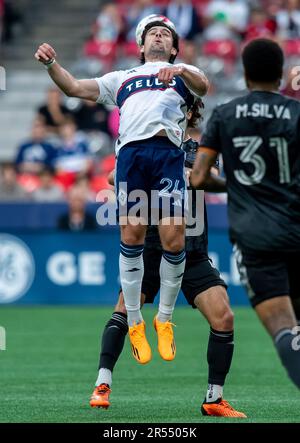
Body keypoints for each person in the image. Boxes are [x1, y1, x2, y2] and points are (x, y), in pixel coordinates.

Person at [35, 14, 209, 365]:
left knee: (174, 237)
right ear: (141, 46)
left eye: (165, 35)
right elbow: (73, 87)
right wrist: (53, 64)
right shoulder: (122, 78)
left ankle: (164, 320)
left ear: (174, 48)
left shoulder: (184, 75)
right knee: (132, 235)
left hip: (167, 155)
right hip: (131, 156)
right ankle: (134, 321)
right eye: (152, 34)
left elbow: (204, 85)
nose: (158, 37)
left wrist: (181, 70)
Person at [89, 100, 246, 418]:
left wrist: (193, 174)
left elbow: (208, 177)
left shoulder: (199, 151)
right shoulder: (145, 144)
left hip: (192, 250)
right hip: (150, 246)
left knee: (224, 317)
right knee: (123, 310)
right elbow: (111, 177)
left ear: (189, 113)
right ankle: (102, 384)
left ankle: (214, 399)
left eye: (182, 106)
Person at [191, 38, 300, 390]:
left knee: (285, 328)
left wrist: (236, 184)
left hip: (256, 238)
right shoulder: (296, 113)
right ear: (281, 75)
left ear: (245, 74)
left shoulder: (225, 114)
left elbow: (198, 177)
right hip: (295, 228)